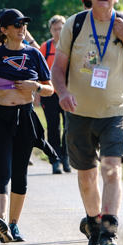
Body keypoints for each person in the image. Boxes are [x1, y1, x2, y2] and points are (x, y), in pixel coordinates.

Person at [50, 0, 123, 245]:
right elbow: (58, 68)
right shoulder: (75, 24)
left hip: (114, 112)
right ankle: (93, 225)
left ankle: (109, 231)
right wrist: (63, 93)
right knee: (86, 177)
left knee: (112, 168)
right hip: (78, 112)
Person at [0, 8, 55, 243]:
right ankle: (0, 221)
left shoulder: (34, 54)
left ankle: (14, 224)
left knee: (20, 174)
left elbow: (50, 89)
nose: (22, 29)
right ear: (5, 30)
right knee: (2, 171)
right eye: (17, 25)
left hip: (25, 117)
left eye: (24, 25)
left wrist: (36, 87)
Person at [38, 14, 71, 174]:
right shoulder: (46, 47)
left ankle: (66, 157)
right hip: (49, 92)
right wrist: (37, 92)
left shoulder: (72, 44)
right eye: (55, 28)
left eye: (61, 28)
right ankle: (55, 160)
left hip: (68, 91)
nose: (58, 31)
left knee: (69, 126)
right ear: (50, 30)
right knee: (53, 127)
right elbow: (37, 69)